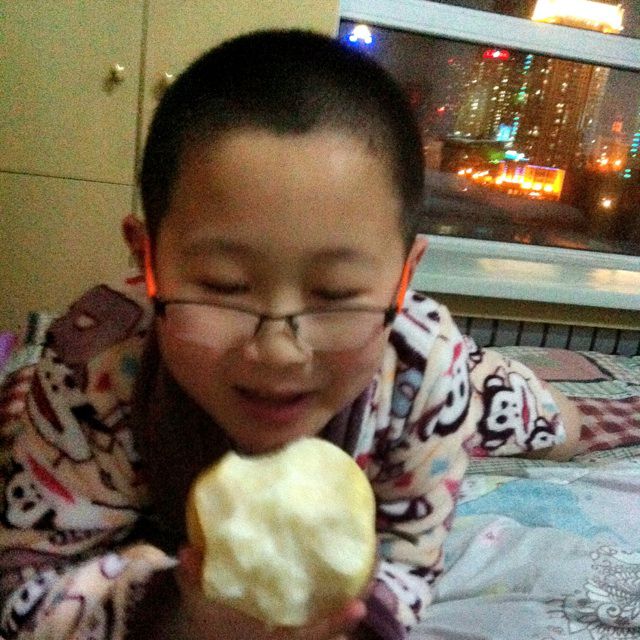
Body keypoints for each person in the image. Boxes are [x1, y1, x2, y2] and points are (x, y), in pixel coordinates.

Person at [0, 30, 577, 640]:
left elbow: (410, 560)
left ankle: (520, 392)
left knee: (543, 422)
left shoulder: (425, 368)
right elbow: (25, 588)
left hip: (412, 381)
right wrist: (176, 610)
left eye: (336, 293)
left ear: (404, 279)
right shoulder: (92, 365)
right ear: (148, 261)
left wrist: (351, 620)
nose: (277, 350)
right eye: (222, 286)